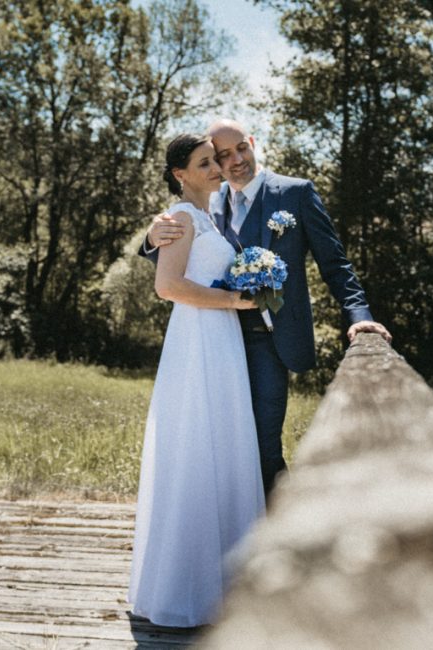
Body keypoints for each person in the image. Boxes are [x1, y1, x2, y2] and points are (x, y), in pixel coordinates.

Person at [141, 119, 391, 501]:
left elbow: (334, 264)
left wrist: (360, 315)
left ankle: (279, 540)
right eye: (222, 156)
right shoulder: (209, 200)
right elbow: (181, 265)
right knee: (226, 452)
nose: (235, 160)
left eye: (240, 148)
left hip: (268, 343)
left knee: (261, 449)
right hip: (217, 344)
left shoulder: (295, 193)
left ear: (252, 143)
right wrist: (148, 239)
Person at [128, 133, 266, 628]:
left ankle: (224, 584)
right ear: (180, 174)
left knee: (223, 445)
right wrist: (236, 301)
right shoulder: (181, 217)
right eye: (205, 162)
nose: (217, 167)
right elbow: (168, 286)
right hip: (198, 339)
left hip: (221, 339)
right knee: (195, 447)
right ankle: (186, 589)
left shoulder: (211, 215)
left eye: (218, 159)